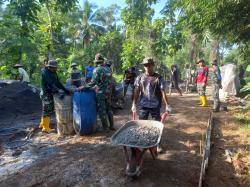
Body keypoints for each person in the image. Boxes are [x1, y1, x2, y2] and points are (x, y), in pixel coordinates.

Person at [77, 54, 115, 132]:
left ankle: (105, 128)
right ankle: (112, 126)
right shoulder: (108, 69)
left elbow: (92, 83)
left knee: (102, 110)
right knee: (109, 109)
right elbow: (109, 80)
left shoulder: (97, 70)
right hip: (109, 92)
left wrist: (83, 87)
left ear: (96, 62)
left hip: (101, 92)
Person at [132, 57, 172, 121]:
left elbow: (163, 92)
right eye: (145, 65)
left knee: (156, 125)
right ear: (143, 66)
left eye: (149, 64)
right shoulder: (140, 78)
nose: (147, 66)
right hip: (143, 105)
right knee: (142, 124)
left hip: (155, 105)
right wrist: (134, 104)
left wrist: (167, 105)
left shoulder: (158, 78)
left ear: (153, 65)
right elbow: (137, 91)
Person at [39, 60, 70, 133]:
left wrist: (65, 90)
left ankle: (42, 124)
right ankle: (45, 128)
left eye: (56, 67)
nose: (56, 69)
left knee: (47, 108)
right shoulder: (45, 72)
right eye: (54, 68)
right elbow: (50, 83)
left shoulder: (53, 72)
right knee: (48, 109)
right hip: (46, 93)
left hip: (50, 92)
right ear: (50, 67)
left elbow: (58, 82)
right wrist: (58, 90)